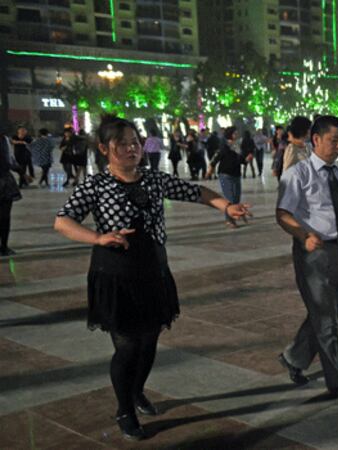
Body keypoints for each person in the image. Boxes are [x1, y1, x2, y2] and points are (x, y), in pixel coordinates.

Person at [53, 115, 250, 441]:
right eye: (123, 144)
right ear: (104, 149)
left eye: (135, 142)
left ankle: (138, 390)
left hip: (153, 271)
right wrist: (98, 238)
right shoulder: (95, 185)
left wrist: (225, 206)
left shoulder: (154, 179)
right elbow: (63, 222)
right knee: (128, 346)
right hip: (116, 275)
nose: (132, 149)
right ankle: (124, 408)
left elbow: (196, 191)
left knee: (149, 340)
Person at [276, 115, 338, 401]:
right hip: (313, 253)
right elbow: (282, 214)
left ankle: (294, 358)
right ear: (316, 140)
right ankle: (337, 382)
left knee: (328, 313)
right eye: (333, 141)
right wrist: (303, 235)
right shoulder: (297, 174)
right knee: (326, 321)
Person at [207, 126, 247, 228]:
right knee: (230, 199)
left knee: (236, 198)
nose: (236, 135)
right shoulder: (224, 146)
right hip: (225, 175)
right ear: (230, 134)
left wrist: (246, 160)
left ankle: (235, 215)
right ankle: (229, 220)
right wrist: (210, 168)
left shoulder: (237, 146)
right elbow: (216, 157)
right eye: (235, 133)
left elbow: (241, 160)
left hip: (236, 174)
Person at [0, 131, 22, 255]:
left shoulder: (5, 140)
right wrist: (22, 173)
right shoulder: (4, 140)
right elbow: (10, 161)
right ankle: (3, 246)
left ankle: (3, 246)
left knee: (4, 216)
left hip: (5, 182)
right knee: (4, 217)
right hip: (5, 182)